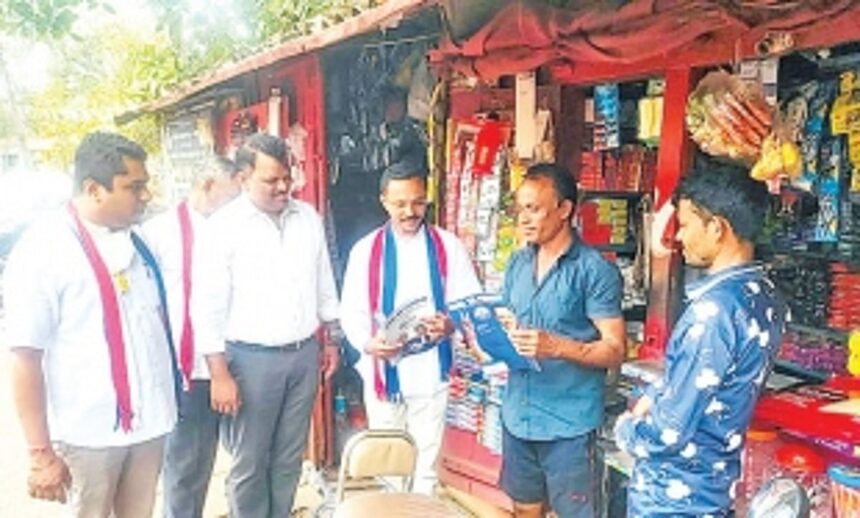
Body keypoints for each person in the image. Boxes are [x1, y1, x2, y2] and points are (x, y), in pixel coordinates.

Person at [4, 131, 180, 517]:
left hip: (149, 422)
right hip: (90, 433)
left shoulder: (139, 242)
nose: (145, 196)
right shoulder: (45, 250)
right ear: (94, 189)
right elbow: (25, 356)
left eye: (145, 186)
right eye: (134, 187)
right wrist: (39, 453)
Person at [614, 160, 788, 517]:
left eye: (687, 224)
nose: (678, 237)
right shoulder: (765, 296)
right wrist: (657, 394)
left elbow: (666, 433)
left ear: (717, 228)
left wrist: (625, 428)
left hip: (673, 500)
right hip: (714, 489)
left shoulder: (714, 312)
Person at [196, 133, 340, 518]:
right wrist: (219, 374)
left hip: (303, 354)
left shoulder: (306, 217)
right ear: (243, 178)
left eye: (286, 177)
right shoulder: (223, 228)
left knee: (289, 456)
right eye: (271, 179)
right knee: (250, 461)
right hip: (249, 361)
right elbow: (206, 306)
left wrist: (331, 340)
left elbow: (324, 280)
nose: (282, 187)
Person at [340, 156, 481, 495]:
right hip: (383, 372)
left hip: (431, 370)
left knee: (426, 468)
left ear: (427, 199)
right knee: (389, 466)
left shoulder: (448, 246)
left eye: (417, 202)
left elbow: (471, 304)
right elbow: (352, 311)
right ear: (384, 201)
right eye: (400, 203)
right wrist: (368, 343)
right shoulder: (366, 251)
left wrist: (450, 324)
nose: (409, 212)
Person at [499, 163, 626, 518]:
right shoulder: (518, 264)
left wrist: (556, 346)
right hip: (517, 415)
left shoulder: (594, 270)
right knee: (525, 511)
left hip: (567, 424)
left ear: (565, 210)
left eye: (534, 209)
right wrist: (491, 338)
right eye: (520, 209)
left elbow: (615, 349)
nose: (524, 219)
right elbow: (508, 321)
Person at [140, 156, 242, 518]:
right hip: (192, 370)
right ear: (208, 186)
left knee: (246, 461)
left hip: (242, 362)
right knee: (187, 468)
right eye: (233, 194)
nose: (238, 203)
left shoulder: (237, 229)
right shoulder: (157, 234)